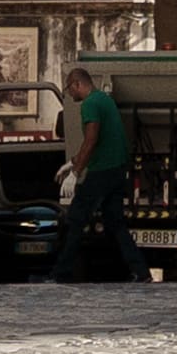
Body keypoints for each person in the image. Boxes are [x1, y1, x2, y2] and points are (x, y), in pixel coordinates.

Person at [61, 67, 138, 289]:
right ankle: (140, 271)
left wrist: (75, 174)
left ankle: (61, 273)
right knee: (115, 223)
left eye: (69, 88)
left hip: (101, 171)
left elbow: (92, 139)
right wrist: (72, 162)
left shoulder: (90, 104)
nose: (69, 93)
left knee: (76, 219)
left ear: (77, 84)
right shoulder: (105, 99)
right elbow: (104, 140)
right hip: (117, 170)